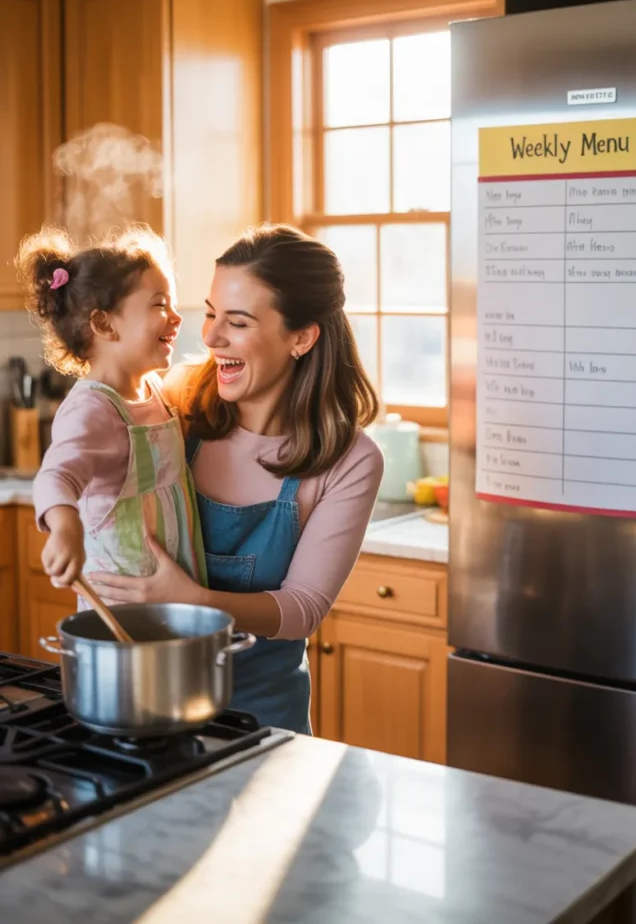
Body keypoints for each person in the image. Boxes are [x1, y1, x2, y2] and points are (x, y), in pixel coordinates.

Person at [89, 224, 384, 733]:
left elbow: (302, 609)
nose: (209, 337)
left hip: (262, 720)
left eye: (238, 322)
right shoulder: (174, 405)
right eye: (210, 313)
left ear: (302, 337)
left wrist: (194, 601)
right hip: (146, 703)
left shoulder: (350, 459)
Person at [19, 226, 207, 602]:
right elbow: (55, 476)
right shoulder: (92, 408)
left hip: (176, 598)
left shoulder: (153, 390)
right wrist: (65, 527)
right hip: (122, 609)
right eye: (159, 304)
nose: (176, 317)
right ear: (104, 323)